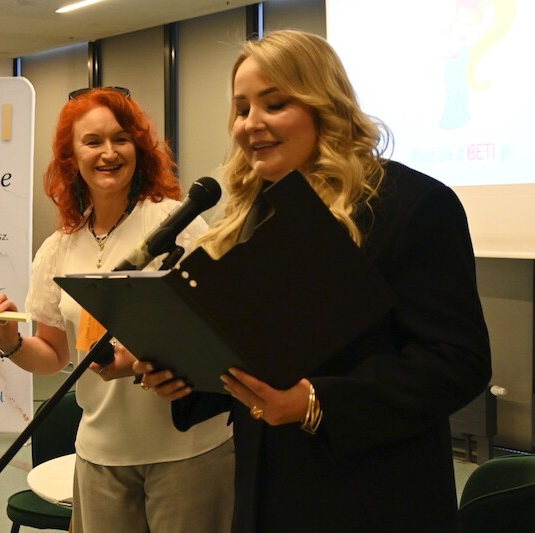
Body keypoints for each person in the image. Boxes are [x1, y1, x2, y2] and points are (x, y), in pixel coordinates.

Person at [134, 30, 492, 532]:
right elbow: (255, 356)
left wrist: (316, 403)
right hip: (267, 495)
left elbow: (458, 362)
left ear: (325, 105)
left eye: (275, 104)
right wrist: (188, 377)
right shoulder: (250, 217)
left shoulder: (411, 204)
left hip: (374, 497)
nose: (251, 124)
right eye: (241, 109)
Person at [0, 87, 234, 532]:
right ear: (71, 157)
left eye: (121, 139)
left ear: (139, 148)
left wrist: (138, 360)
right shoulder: (58, 249)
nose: (109, 153)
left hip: (188, 451)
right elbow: (54, 355)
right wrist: (11, 343)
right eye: (93, 141)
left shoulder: (176, 224)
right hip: (100, 456)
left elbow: (222, 329)